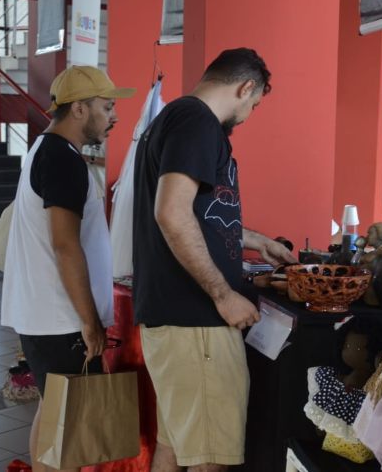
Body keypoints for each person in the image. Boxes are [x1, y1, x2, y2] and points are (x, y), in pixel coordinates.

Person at [133, 48, 297, 472]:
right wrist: (223, 294)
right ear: (245, 87)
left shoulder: (172, 120)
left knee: (174, 447)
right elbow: (170, 213)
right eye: (253, 105)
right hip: (197, 323)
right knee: (209, 459)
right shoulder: (198, 123)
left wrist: (255, 240)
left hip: (176, 321)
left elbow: (197, 213)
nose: (247, 116)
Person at [0, 65, 134, 472]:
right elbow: (65, 244)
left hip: (45, 315)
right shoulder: (62, 159)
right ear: (79, 109)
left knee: (54, 412)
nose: (114, 117)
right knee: (69, 427)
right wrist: (91, 321)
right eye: (106, 107)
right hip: (62, 318)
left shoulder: (46, 150)